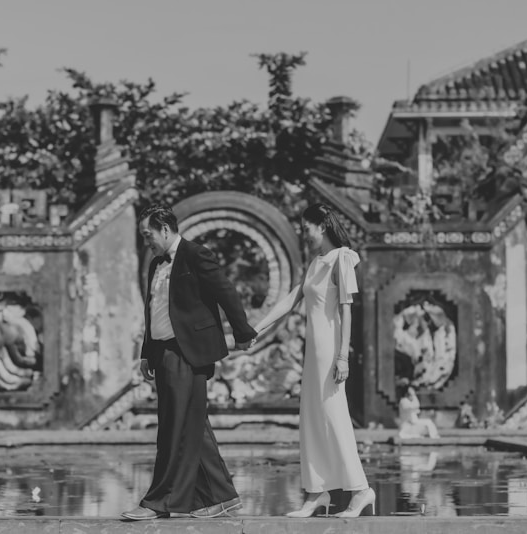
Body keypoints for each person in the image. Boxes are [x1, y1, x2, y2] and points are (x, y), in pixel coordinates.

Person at [121, 204, 257, 521]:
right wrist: (146, 352)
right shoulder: (157, 264)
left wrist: (242, 331)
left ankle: (159, 502)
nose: (147, 241)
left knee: (175, 426)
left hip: (187, 352)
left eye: (148, 235)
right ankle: (223, 496)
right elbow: (154, 310)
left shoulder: (195, 254)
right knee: (191, 424)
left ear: (165, 229)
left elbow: (226, 290)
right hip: (164, 351)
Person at [253, 203, 375, 518]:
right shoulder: (314, 263)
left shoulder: (341, 259)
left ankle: (361, 490)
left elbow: (347, 309)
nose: (303, 234)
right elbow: (291, 299)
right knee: (311, 420)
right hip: (313, 355)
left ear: (321, 226)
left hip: (332, 352)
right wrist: (255, 329)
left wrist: (343, 356)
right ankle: (316, 493)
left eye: (306, 228)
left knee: (335, 419)